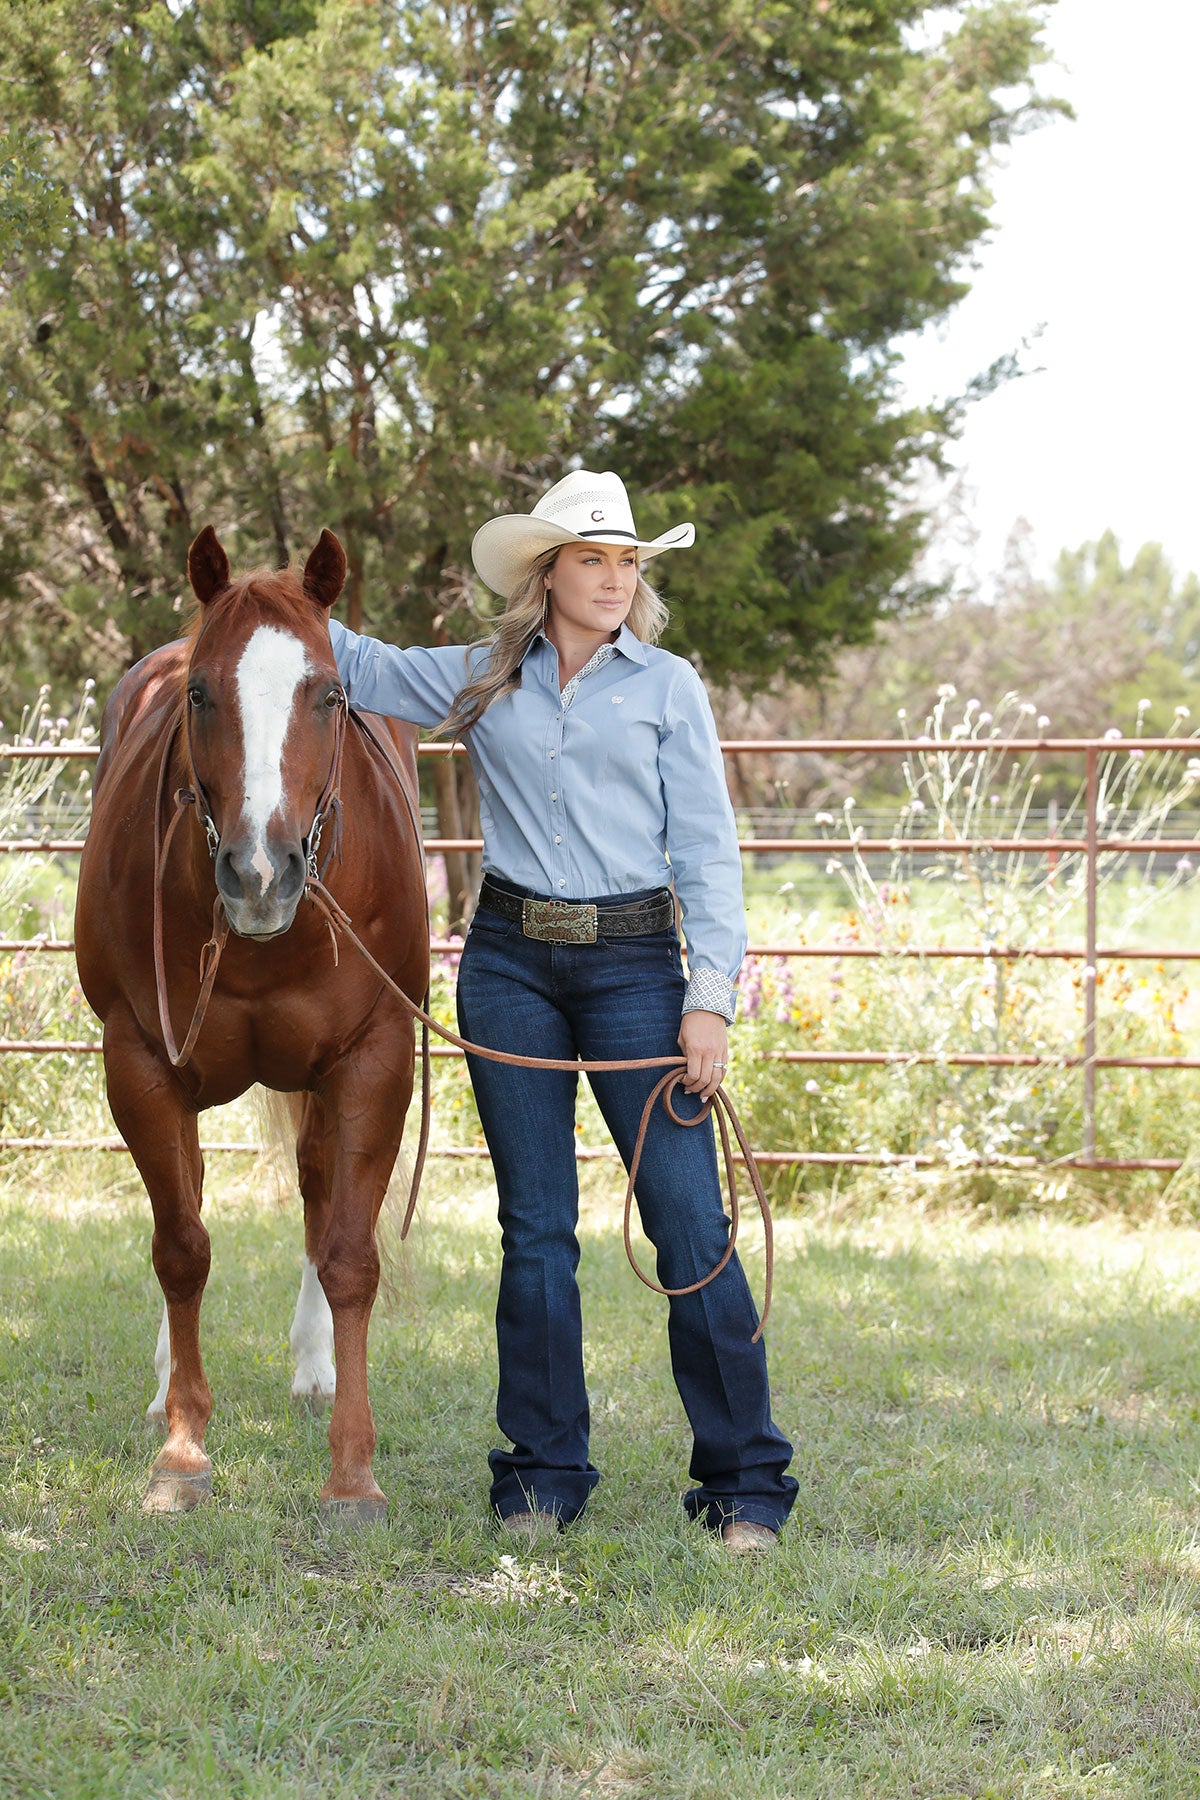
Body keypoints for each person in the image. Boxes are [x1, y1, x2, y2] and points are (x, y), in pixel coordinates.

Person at [328, 469, 796, 1552]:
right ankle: (541, 1476)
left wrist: (708, 1001)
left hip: (639, 964)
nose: (614, 577)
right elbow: (353, 664)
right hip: (509, 966)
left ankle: (747, 1484)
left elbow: (709, 857)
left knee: (691, 1227)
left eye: (628, 561)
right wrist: (268, 605)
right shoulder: (483, 680)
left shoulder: (669, 686)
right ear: (546, 574)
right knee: (534, 1232)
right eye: (593, 558)